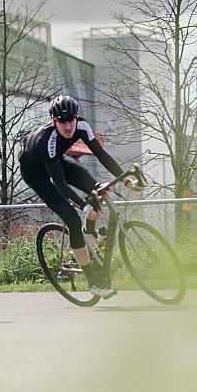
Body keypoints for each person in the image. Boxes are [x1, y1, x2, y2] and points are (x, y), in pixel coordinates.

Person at [18, 95, 143, 299]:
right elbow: (59, 183)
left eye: (71, 120)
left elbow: (101, 155)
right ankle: (93, 282)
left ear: (77, 117)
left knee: (95, 188)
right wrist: (83, 206)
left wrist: (126, 180)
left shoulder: (82, 126)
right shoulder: (47, 139)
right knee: (73, 219)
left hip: (56, 160)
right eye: (62, 121)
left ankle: (91, 229)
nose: (68, 126)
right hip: (35, 172)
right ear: (54, 121)